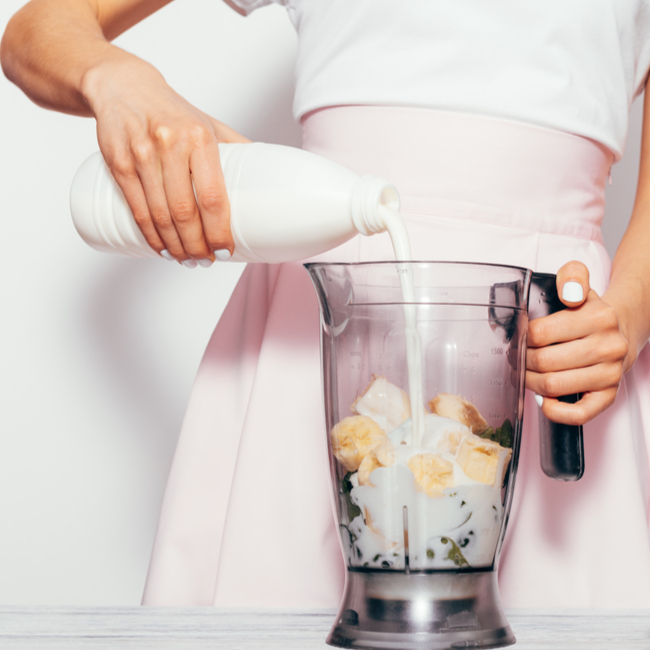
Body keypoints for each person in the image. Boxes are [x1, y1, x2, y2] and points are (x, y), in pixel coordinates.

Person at [2, 0, 650, 608]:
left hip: (556, 345)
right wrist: (118, 77)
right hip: (315, 320)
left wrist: (625, 313)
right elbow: (39, 29)